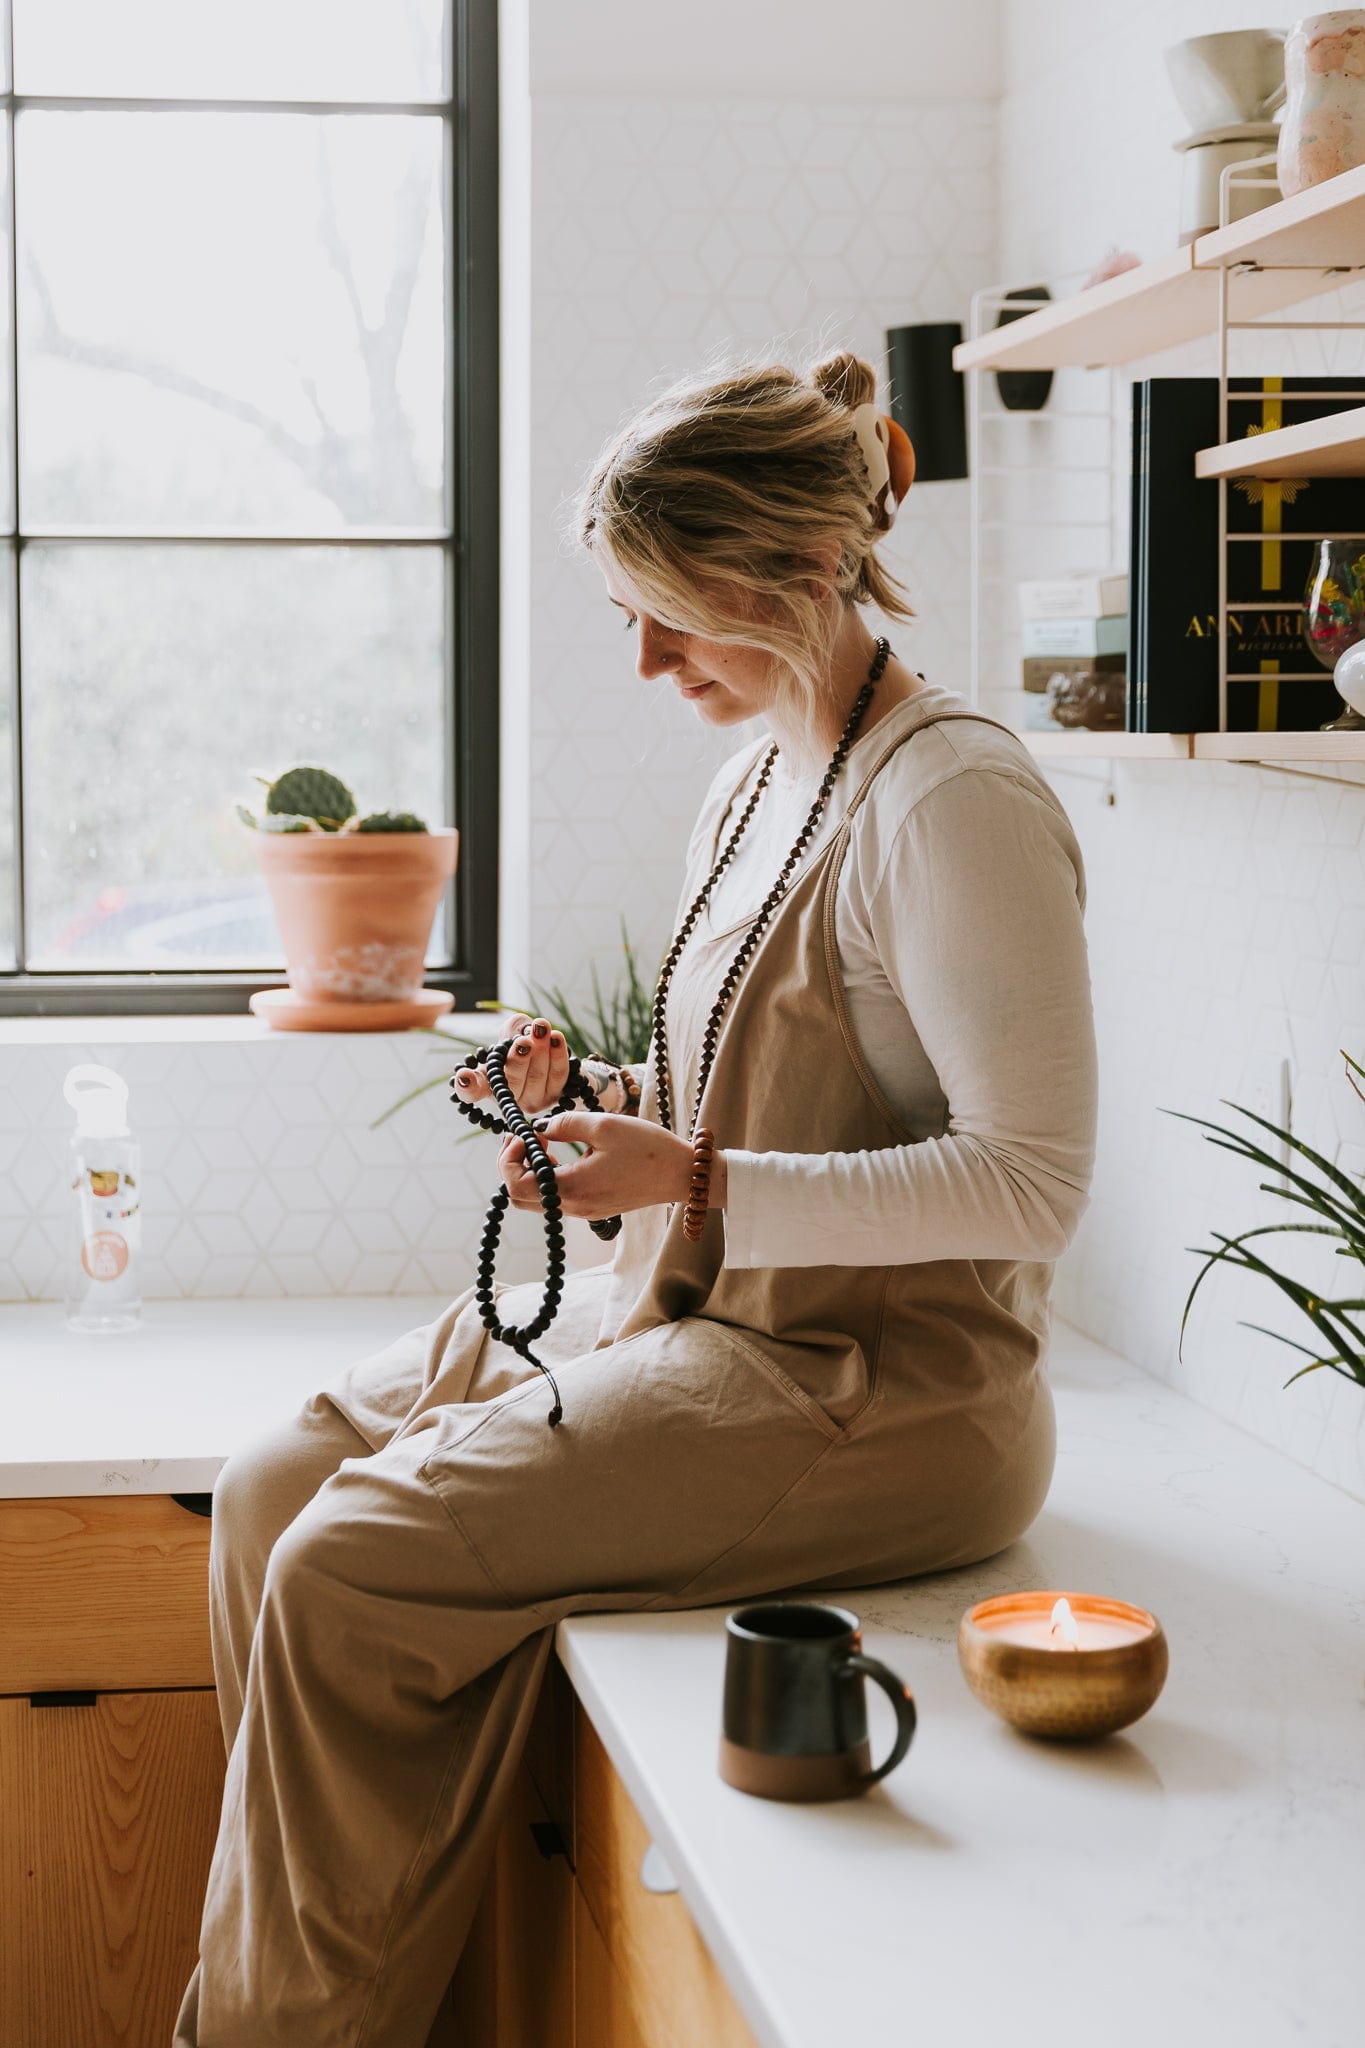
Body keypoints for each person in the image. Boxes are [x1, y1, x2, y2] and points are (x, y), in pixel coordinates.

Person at [174, 350, 1098, 2047]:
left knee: (346, 1563)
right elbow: (760, 1100)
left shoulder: (951, 799)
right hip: (681, 1309)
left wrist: (695, 1176)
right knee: (272, 1482)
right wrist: (596, 1105)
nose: (648, 662)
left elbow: (1031, 1185)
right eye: (629, 615)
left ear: (808, 567)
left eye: (673, 615)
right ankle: (327, 1992)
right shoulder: (754, 778)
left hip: (871, 1391)